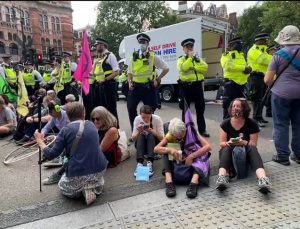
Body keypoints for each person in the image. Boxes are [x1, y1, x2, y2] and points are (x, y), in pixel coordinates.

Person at [34, 102, 108, 206]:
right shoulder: (91, 124)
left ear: (67, 115)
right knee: (95, 180)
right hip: (100, 169)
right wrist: (57, 138)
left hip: (79, 173)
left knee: (62, 185)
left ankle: (83, 190)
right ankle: (91, 187)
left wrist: (39, 141)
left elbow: (51, 154)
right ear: (84, 113)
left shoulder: (65, 130)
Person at [215, 98, 271, 194]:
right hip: (230, 150)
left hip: (246, 149)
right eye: (233, 106)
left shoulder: (252, 123)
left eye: (238, 106)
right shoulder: (226, 123)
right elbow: (221, 143)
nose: (235, 108)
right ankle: (222, 177)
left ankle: (263, 179)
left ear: (244, 109)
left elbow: (253, 143)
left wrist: (244, 143)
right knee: (225, 148)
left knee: (253, 149)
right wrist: (229, 142)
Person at [264, 25, 300, 166]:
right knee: (298, 125)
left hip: (281, 95)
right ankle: (298, 155)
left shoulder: (278, 55)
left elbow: (268, 79)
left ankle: (282, 156)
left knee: (281, 125)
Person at [154, 118, 212, 198]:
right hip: (177, 163)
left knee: (203, 153)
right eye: (176, 137)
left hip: (191, 164)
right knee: (165, 153)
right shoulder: (170, 136)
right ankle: (169, 182)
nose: (179, 139)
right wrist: (170, 150)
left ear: (185, 130)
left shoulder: (192, 133)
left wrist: (192, 156)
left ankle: (194, 183)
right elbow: (156, 149)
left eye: (181, 136)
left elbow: (208, 147)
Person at [127, 33, 169, 131]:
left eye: (144, 42)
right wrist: (129, 82)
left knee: (150, 111)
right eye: (140, 42)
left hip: (148, 88)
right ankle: (136, 130)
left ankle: (149, 131)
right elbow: (129, 72)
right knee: (131, 108)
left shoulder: (152, 57)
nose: (142, 44)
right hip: (135, 88)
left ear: (148, 44)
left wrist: (158, 79)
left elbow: (166, 68)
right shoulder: (133, 57)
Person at [177, 38, 210, 137]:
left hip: (197, 86)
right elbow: (183, 68)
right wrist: (190, 59)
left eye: (191, 46)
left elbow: (205, 68)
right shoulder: (181, 59)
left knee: (200, 109)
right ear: (183, 49)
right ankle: (186, 131)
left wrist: (194, 67)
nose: (190, 48)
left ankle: (202, 130)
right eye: (187, 47)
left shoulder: (197, 59)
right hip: (186, 87)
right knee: (186, 110)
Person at [220, 37, 252, 120]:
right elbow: (228, 67)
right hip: (231, 84)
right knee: (228, 106)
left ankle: (237, 123)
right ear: (231, 45)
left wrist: (248, 71)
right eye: (237, 43)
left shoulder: (241, 56)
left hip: (241, 85)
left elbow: (244, 69)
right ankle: (226, 125)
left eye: (240, 43)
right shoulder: (226, 55)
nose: (239, 45)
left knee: (239, 107)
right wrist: (244, 68)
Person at [92, 38, 120, 126]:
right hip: (100, 86)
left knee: (111, 108)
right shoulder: (100, 58)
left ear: (102, 45)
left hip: (109, 85)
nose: (96, 47)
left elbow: (116, 71)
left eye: (97, 45)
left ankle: (115, 128)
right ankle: (106, 127)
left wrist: (105, 79)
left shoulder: (110, 55)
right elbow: (94, 74)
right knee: (101, 109)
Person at [247, 33, 272, 127]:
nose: (267, 42)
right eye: (265, 40)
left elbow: (268, 60)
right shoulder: (253, 50)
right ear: (259, 40)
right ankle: (255, 118)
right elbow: (264, 60)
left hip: (263, 76)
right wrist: (271, 57)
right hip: (256, 76)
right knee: (257, 98)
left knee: (262, 98)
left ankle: (259, 117)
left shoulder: (264, 50)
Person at [131, 105, 164, 177]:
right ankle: (139, 163)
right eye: (143, 117)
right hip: (141, 145)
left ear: (151, 114)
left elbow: (162, 138)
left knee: (150, 135)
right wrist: (138, 132)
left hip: (154, 145)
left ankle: (150, 162)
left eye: (148, 117)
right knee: (141, 135)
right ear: (140, 115)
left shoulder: (157, 119)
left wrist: (153, 131)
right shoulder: (137, 119)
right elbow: (133, 139)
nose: (146, 120)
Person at [40, 100, 70, 168]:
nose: (50, 114)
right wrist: (42, 134)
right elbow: (46, 128)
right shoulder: (54, 118)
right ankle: (52, 155)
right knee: (48, 138)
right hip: (62, 136)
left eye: (51, 112)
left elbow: (68, 131)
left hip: (69, 137)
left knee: (60, 141)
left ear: (57, 108)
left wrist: (56, 137)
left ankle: (59, 158)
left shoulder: (67, 115)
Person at [264, 45, 279, 118]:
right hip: (270, 79)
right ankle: (268, 111)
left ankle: (269, 111)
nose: (275, 51)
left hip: (274, 78)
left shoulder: (274, 57)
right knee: (269, 96)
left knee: (270, 96)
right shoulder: (269, 57)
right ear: (270, 50)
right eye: (273, 50)